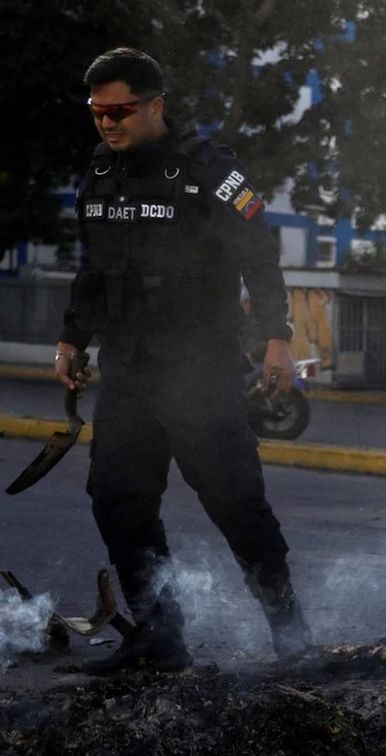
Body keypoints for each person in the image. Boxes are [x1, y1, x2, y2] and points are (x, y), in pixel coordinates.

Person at [55, 48, 312, 673]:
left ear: (155, 105)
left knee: (234, 502)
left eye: (119, 110)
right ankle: (159, 636)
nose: (107, 123)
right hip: (130, 369)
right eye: (97, 112)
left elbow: (258, 251)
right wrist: (73, 338)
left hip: (199, 367)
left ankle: (291, 636)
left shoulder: (205, 167)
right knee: (117, 499)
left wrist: (276, 336)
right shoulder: (99, 171)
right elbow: (97, 269)